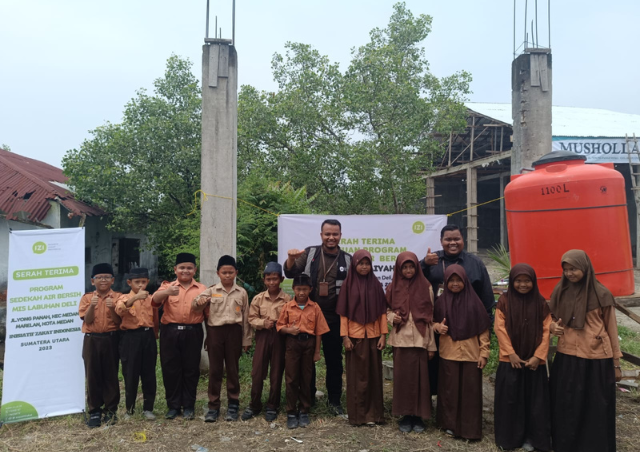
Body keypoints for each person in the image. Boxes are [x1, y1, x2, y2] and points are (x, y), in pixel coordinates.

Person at [548, 250, 622, 452]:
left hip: (596, 358)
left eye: (574, 268)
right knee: (567, 404)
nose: (570, 273)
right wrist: (552, 327)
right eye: (566, 270)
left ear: (585, 267)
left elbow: (612, 329)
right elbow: (550, 318)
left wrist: (616, 363)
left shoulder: (602, 294)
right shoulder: (560, 291)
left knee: (595, 406)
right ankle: (567, 445)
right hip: (567, 355)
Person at [284, 219, 351, 414]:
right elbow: (290, 273)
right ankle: (308, 397)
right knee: (307, 360)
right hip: (308, 315)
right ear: (321, 235)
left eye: (335, 234)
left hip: (334, 317)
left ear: (340, 235)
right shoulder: (310, 253)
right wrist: (290, 258)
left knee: (334, 361)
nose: (331, 237)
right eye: (327, 234)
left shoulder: (347, 259)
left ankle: (335, 400)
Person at [420, 224, 494, 395]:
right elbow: (408, 274)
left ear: (463, 240)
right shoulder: (433, 261)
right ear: (441, 241)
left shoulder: (475, 263)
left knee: (465, 370)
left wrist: (485, 331)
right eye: (448, 239)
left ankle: (464, 408)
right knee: (435, 366)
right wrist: (424, 264)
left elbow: (487, 300)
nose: (452, 243)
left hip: (469, 327)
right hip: (438, 325)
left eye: (456, 239)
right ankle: (440, 407)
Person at [494, 264, 551, 452]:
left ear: (533, 282)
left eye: (527, 281)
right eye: (518, 281)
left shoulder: (541, 303)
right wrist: (511, 354)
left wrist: (538, 356)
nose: (523, 284)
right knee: (511, 401)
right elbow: (499, 329)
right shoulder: (504, 300)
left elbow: (546, 331)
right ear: (512, 282)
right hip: (510, 360)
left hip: (534, 362)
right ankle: (509, 438)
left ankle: (531, 438)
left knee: (534, 403)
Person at [433, 265, 491, 440]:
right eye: (451, 281)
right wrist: (438, 327)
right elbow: (432, 323)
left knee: (470, 392)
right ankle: (449, 424)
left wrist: (484, 353)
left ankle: (469, 428)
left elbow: (483, 330)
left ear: (465, 281)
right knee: (449, 391)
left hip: (471, 354)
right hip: (448, 353)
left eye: (459, 280)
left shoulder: (474, 303)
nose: (455, 284)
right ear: (446, 282)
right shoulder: (441, 301)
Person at [192, 255, 252, 423]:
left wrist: (246, 340)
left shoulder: (242, 292)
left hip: (234, 332)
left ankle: (233, 404)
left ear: (236, 273)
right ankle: (213, 405)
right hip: (215, 332)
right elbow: (195, 306)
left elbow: (246, 317)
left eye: (230, 272)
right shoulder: (211, 291)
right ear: (218, 273)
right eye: (224, 272)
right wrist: (201, 302)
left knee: (233, 369)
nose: (227, 275)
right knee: (215, 370)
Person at [152, 252, 206, 420]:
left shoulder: (202, 289)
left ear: (194, 270)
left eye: (189, 268)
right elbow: (154, 300)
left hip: (193, 331)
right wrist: (167, 292)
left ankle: (189, 405)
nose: (185, 271)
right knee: (170, 368)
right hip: (170, 332)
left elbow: (208, 312)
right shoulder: (168, 286)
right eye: (182, 267)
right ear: (175, 269)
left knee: (191, 369)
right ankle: (173, 406)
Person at [386, 252, 436, 433]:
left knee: (421, 380)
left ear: (417, 267)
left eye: (411, 266)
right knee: (403, 379)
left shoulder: (426, 286)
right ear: (399, 269)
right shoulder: (392, 287)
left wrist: (431, 346)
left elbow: (430, 317)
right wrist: (393, 317)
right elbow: (386, 310)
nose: (408, 270)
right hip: (401, 340)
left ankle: (419, 416)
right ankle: (406, 416)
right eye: (404, 267)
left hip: (422, 340)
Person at [337, 250, 388, 426]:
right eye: (361, 263)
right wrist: (345, 337)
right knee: (357, 378)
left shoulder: (376, 284)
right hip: (355, 338)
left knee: (374, 376)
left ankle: (375, 415)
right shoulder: (347, 285)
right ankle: (358, 416)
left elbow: (382, 312)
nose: (364, 267)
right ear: (355, 265)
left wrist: (383, 335)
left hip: (373, 337)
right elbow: (343, 314)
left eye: (367, 264)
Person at [276, 274, 330, 430]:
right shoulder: (287, 306)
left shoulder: (315, 307)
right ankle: (291, 411)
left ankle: (304, 409)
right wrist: (289, 330)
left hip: (309, 344)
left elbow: (319, 331)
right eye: (298, 289)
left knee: (306, 378)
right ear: (293, 289)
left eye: (305, 289)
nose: (301, 293)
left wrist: (317, 352)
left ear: (310, 290)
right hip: (292, 344)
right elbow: (279, 327)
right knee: (292, 378)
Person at [242, 262, 290, 422]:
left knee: (276, 373)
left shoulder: (287, 299)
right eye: (268, 279)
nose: (272, 282)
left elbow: (292, 318)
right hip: (262, 337)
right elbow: (251, 318)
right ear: (264, 280)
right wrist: (263, 323)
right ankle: (254, 405)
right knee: (257, 372)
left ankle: (272, 406)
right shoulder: (258, 299)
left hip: (280, 338)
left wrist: (279, 325)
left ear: (281, 279)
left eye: (275, 279)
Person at [78, 263, 122, 428]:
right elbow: (87, 320)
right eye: (99, 277)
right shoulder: (87, 298)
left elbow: (118, 321)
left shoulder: (118, 297)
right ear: (92, 281)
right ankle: (95, 410)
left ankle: (111, 410)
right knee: (93, 375)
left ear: (112, 280)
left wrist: (112, 309)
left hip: (111, 338)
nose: (103, 280)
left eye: (106, 277)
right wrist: (92, 306)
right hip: (92, 340)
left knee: (111, 374)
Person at [115, 267, 158, 420]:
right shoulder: (123, 297)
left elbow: (155, 318)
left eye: (143, 282)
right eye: (137, 282)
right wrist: (135, 298)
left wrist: (155, 335)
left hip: (148, 336)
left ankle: (148, 408)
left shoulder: (151, 298)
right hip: (130, 337)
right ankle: (129, 409)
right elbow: (120, 310)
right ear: (129, 282)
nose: (140, 285)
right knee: (130, 373)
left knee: (149, 373)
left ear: (148, 282)